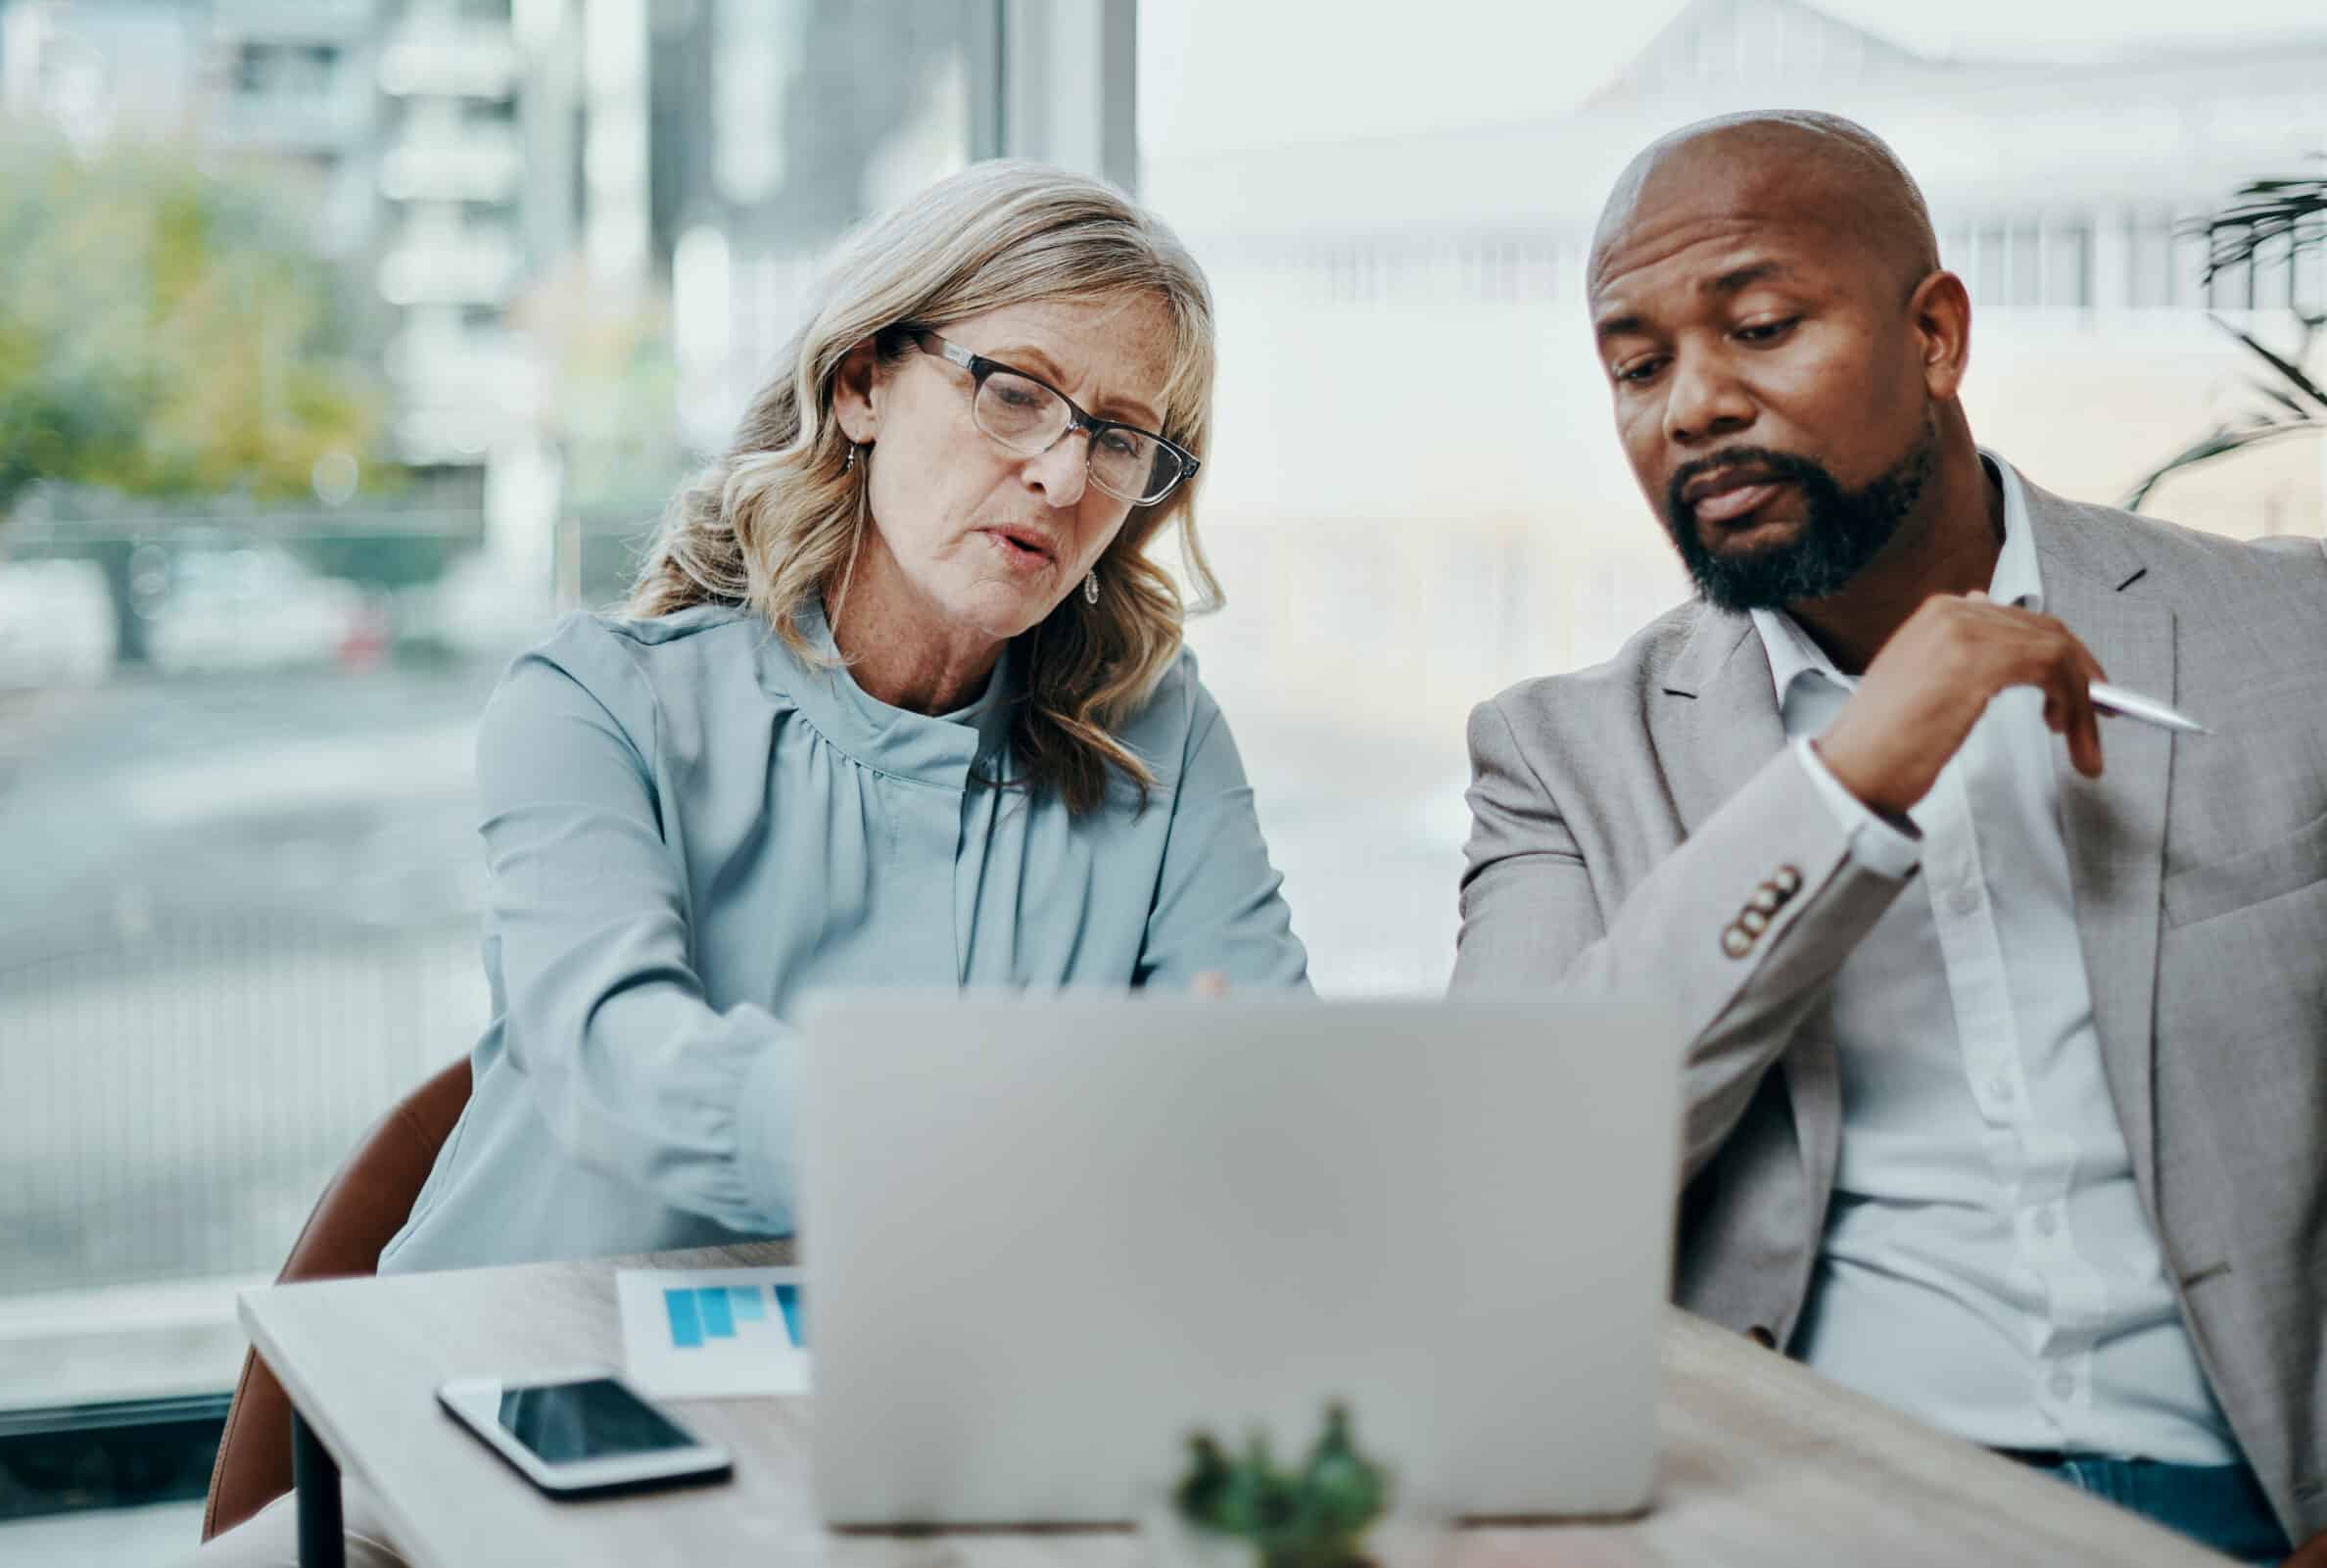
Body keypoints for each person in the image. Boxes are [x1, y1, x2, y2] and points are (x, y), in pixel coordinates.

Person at [184, 160, 1306, 1566]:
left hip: (908, 1471)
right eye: (1015, 390)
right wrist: (1003, 1138)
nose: (1065, 474)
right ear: (859, 382)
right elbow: (617, 1058)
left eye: (1125, 438)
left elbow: (1264, 1097)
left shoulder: (1157, 738)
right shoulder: (594, 702)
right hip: (480, 1455)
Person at [1451, 112, 2324, 1564]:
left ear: (1934, 337)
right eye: (1637, 366)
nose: (1695, 406)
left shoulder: (2292, 642)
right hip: (1833, 1507)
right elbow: (1508, 1178)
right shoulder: (1560, 757)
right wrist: (1852, 776)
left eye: (1763, 326)